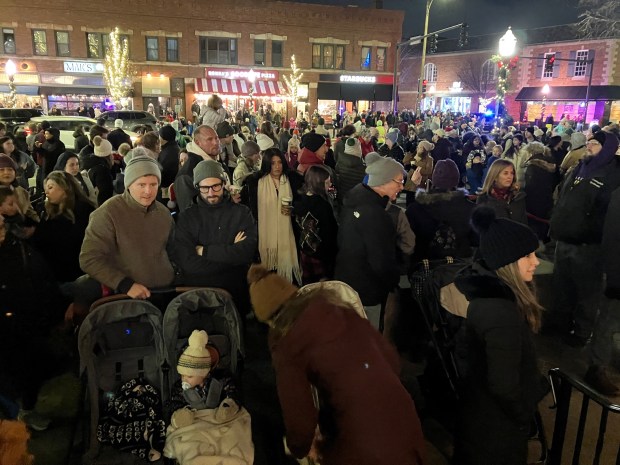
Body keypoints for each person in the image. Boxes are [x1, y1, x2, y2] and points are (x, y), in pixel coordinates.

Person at [246, 264, 425, 465]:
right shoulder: (339, 310)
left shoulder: (287, 343)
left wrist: (300, 447)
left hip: (364, 442)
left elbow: (300, 418)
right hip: (404, 421)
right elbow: (391, 360)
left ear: (269, 318)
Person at [453, 206, 549, 465]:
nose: (536, 262)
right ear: (506, 262)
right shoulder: (501, 314)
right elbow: (504, 386)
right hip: (495, 433)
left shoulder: (494, 302)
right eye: (528, 255)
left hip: (483, 423)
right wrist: (522, 415)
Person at [74, 157, 176, 318]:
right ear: (129, 184)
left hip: (166, 293)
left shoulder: (163, 213)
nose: (148, 191)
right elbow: (89, 259)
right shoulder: (108, 213)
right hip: (127, 299)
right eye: (141, 185)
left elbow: (171, 250)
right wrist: (124, 284)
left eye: (153, 184)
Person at [550, 130, 620, 354]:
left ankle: (581, 332)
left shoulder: (613, 173)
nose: (589, 146)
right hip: (565, 239)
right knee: (562, 287)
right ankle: (560, 324)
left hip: (589, 245)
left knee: (586, 293)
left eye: (595, 143)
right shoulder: (579, 167)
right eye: (589, 142)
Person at [173, 159, 257, 313]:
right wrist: (230, 253)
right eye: (205, 188)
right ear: (197, 187)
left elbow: (246, 253)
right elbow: (186, 261)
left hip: (235, 295)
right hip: (198, 298)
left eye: (215, 186)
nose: (211, 193)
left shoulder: (241, 213)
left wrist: (203, 251)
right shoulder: (187, 217)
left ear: (223, 183)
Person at [334, 152, 404, 329]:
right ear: (383, 180)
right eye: (399, 182)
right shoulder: (376, 215)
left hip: (347, 284)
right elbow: (381, 261)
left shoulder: (354, 201)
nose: (402, 187)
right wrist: (394, 279)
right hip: (367, 290)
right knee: (368, 339)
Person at [241, 148, 303, 284]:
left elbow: (304, 204)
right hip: (265, 237)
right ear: (267, 164)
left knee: (289, 281)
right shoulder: (255, 183)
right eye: (273, 163)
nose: (277, 167)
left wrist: (294, 209)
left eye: (280, 162)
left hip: (289, 234)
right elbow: (246, 208)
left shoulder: (294, 181)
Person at [30, 171, 95, 284]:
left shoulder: (82, 209)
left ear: (65, 187)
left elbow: (70, 240)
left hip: (80, 272)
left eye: (50, 187)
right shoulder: (52, 212)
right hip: (63, 273)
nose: (46, 192)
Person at [406, 159, 475, 263]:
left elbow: (409, 240)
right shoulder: (470, 208)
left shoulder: (416, 208)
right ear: (456, 179)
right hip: (460, 265)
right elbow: (475, 239)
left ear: (434, 179)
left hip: (425, 265)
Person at [294, 165, 338, 283]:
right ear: (319, 184)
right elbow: (330, 233)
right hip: (322, 255)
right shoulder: (322, 206)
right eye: (327, 183)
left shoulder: (299, 201)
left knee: (309, 287)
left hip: (304, 251)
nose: (330, 186)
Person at [476, 159, 527, 224]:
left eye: (512, 173)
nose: (510, 177)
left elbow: (524, 224)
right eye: (505, 173)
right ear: (495, 176)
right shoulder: (484, 198)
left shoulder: (518, 196)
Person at [0, 154, 38, 236]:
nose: (6, 173)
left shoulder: (22, 192)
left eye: (10, 169)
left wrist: (37, 225)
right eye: (1, 170)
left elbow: (30, 212)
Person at [81, 135, 115, 206]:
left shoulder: (88, 162)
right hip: (97, 206)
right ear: (108, 153)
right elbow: (106, 194)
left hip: (87, 202)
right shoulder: (102, 171)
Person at [335, 137, 365, 204]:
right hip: (356, 198)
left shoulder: (340, 162)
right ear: (358, 148)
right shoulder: (363, 166)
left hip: (342, 196)